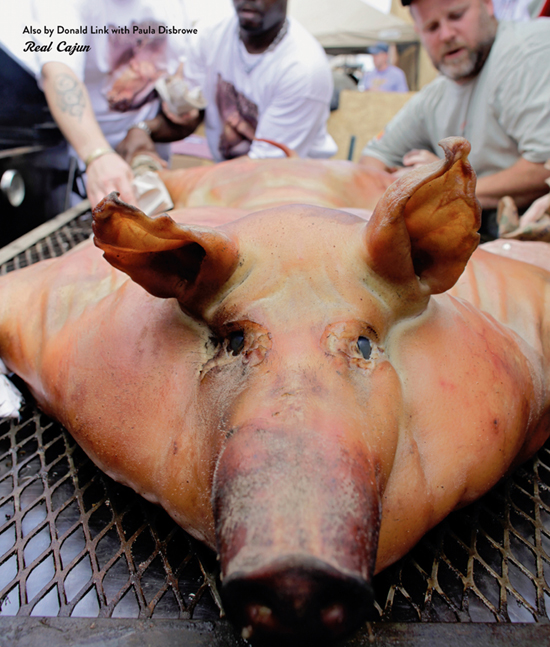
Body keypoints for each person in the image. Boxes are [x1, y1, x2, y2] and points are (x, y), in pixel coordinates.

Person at [359, 0, 550, 238]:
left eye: (457, 15)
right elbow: (374, 157)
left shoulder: (530, 51)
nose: (446, 34)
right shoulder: (436, 94)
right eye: (431, 28)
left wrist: (446, 184)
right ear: (418, 32)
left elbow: (544, 166)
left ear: (488, 5)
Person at [0, 0, 193, 208]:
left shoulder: (180, 7)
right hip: (85, 153)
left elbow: (186, 78)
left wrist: (152, 127)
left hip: (148, 153)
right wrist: (98, 154)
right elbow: (59, 74)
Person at [118, 0, 337, 162]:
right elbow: (190, 117)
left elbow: (265, 171)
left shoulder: (303, 69)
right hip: (234, 184)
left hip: (292, 191)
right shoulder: (210, 36)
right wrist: (143, 130)